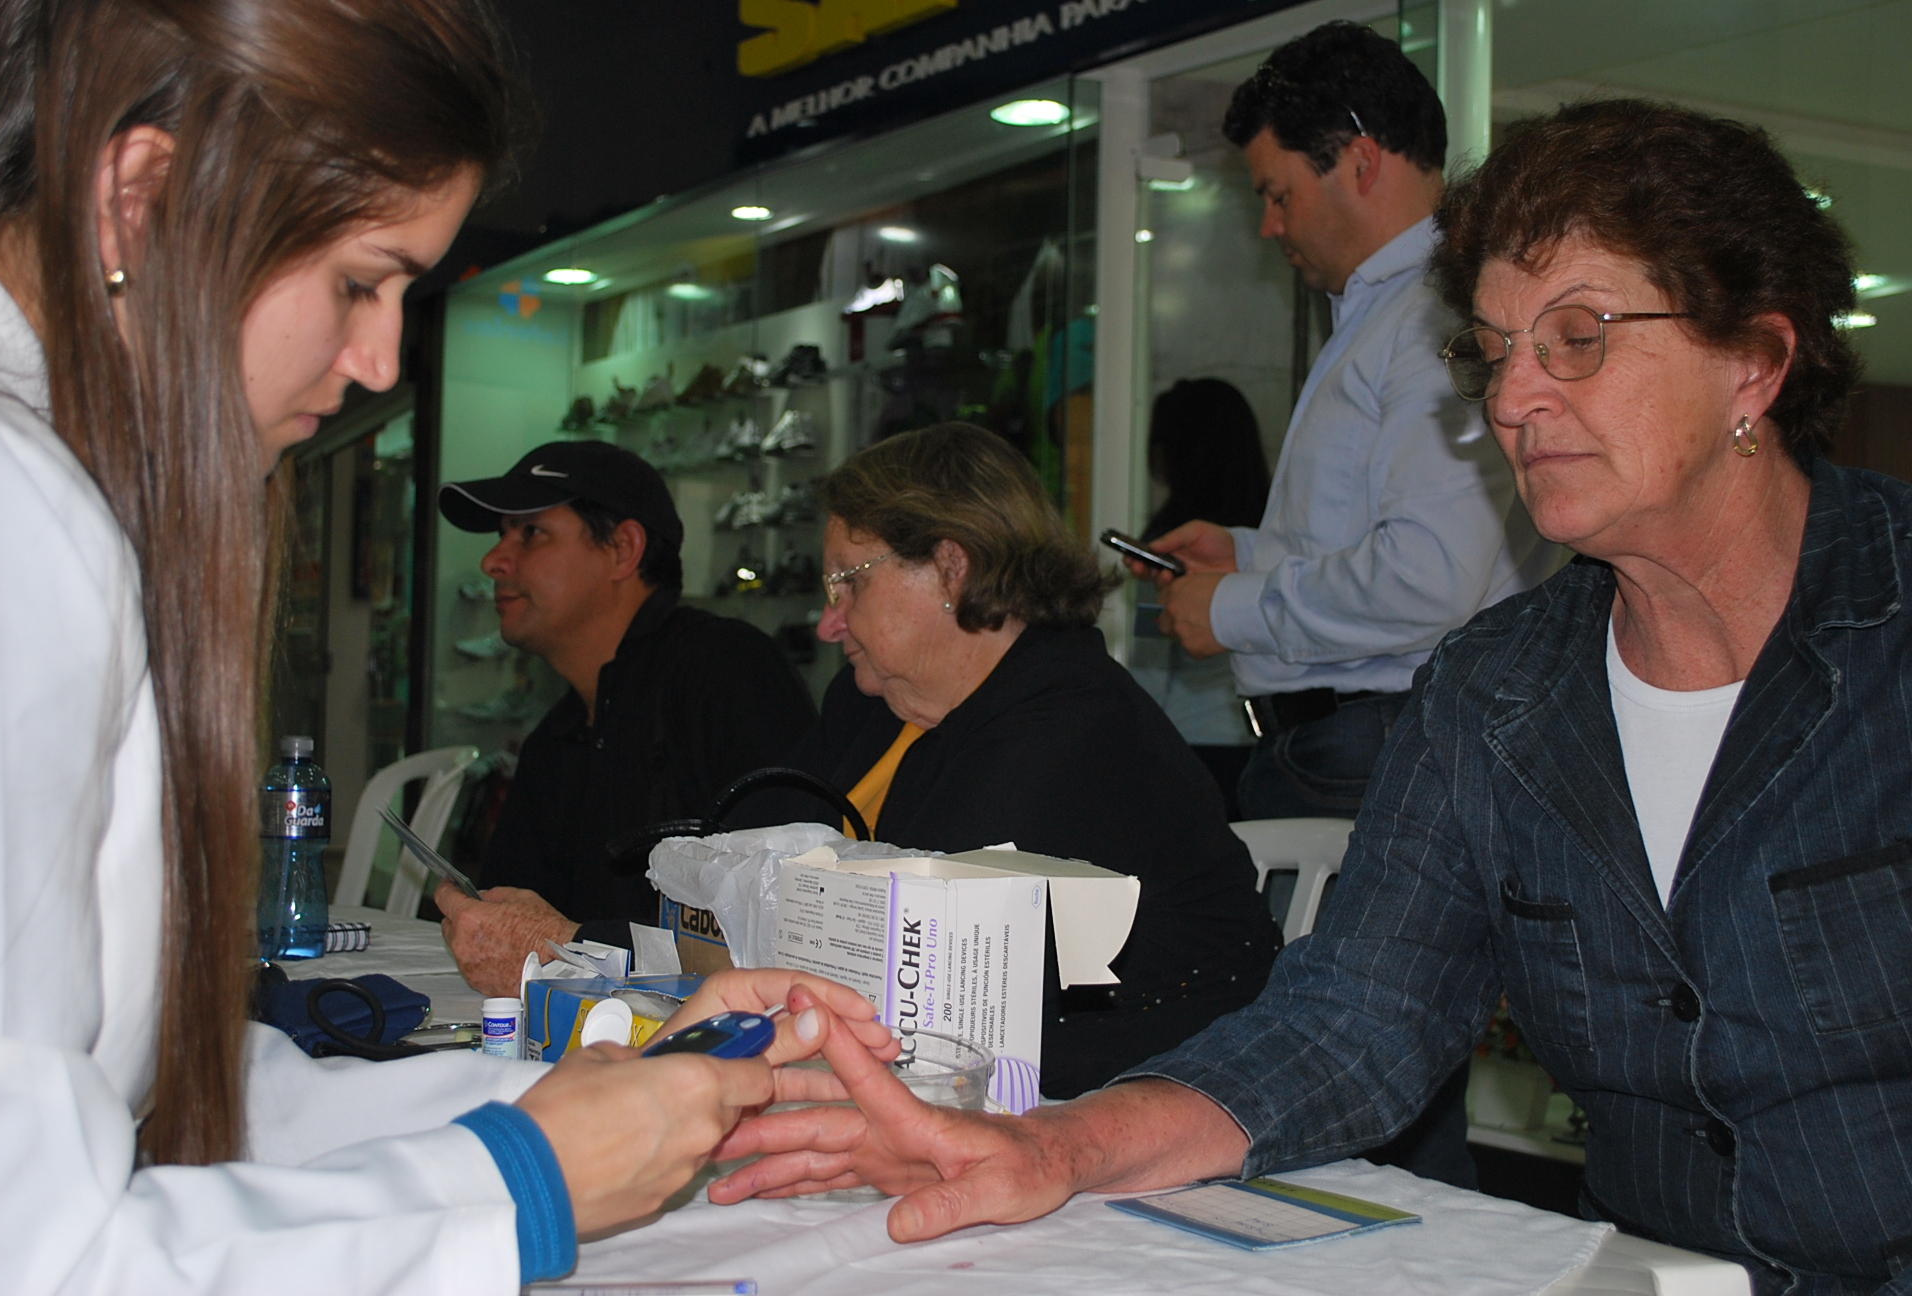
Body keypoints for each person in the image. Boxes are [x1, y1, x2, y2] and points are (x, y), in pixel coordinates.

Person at [713, 98, 1912, 1296]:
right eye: (1492, 350)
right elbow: (1353, 1019)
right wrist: (1051, 1146)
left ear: (1756, 359)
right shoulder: (1496, 692)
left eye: (1579, 336)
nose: (1512, 399)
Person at [0, 3, 890, 1292]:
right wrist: (515, 1182)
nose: (380, 357)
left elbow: (142, 1104)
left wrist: (589, 1088)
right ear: (142, 196)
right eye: (360, 280)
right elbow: (29, 1250)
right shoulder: (8, 515)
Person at [736, 422, 1280, 1100]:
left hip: (1160, 1095)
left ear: (951, 568)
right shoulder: (875, 701)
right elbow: (744, 863)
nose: (829, 621)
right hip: (964, 1082)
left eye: (849, 585)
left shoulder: (1071, 727)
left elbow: (900, 959)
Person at [1133, 21, 1556, 822]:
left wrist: (1231, 608)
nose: (1269, 226)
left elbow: (1428, 576)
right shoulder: (1384, 315)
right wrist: (1247, 555)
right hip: (1355, 746)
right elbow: (1381, 542)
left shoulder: (1440, 315)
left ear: (1361, 161)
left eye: (1277, 194)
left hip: (1382, 749)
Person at [431, 441, 815, 995]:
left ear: (622, 549)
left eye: (531, 533)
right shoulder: (557, 735)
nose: (495, 560)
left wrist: (573, 945)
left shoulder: (726, 673)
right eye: (500, 535)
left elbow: (790, 921)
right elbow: (510, 913)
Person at [1125, 377, 1272, 818]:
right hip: (1264, 738)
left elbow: (1151, 664)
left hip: (1189, 742)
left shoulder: (1175, 546)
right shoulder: (1273, 538)